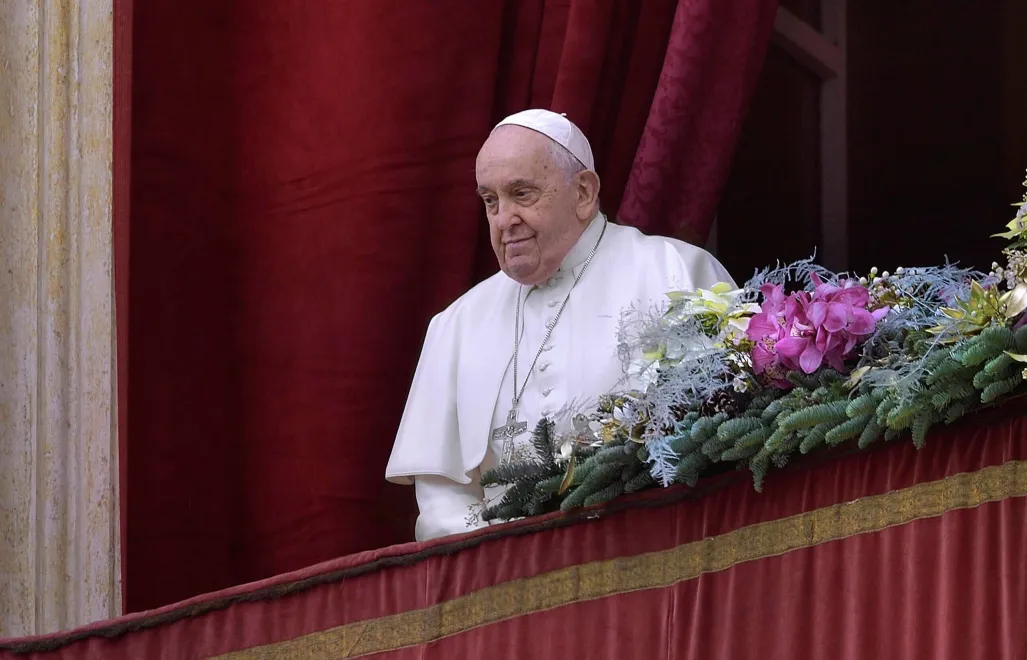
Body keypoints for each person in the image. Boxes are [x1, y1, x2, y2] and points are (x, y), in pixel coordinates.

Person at [385, 109, 734, 541]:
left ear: (583, 192)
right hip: (505, 581)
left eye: (522, 194)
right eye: (491, 201)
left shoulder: (675, 274)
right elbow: (441, 501)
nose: (503, 219)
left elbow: (724, 443)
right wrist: (508, 548)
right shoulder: (455, 325)